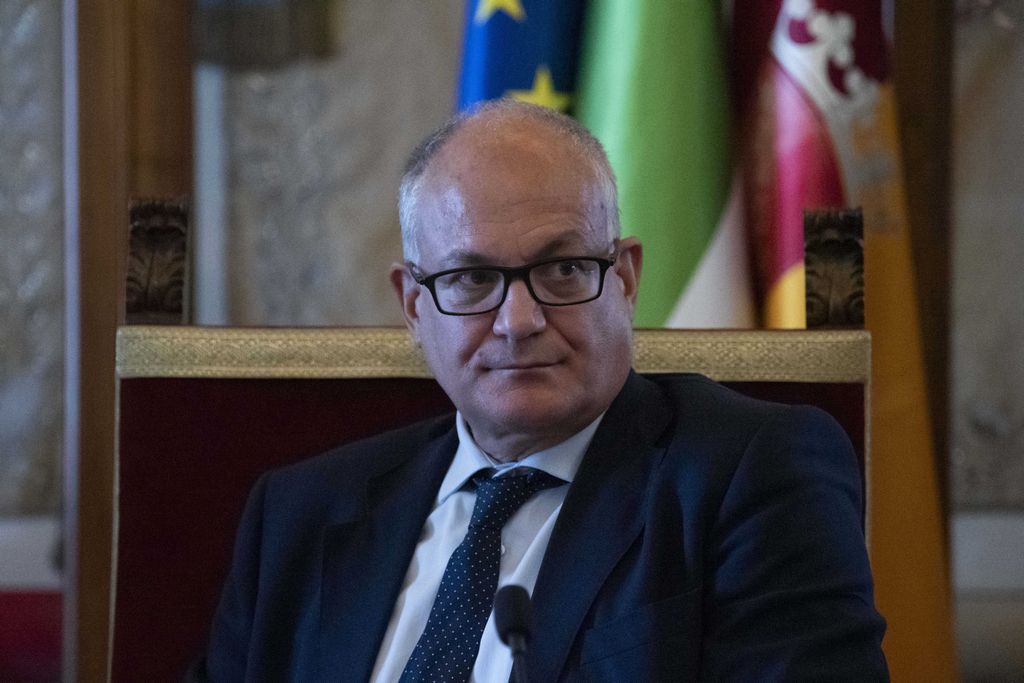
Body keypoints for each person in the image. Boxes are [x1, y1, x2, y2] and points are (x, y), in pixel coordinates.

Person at [193, 100, 888, 681]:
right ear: (413, 305)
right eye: (471, 279)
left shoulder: (753, 476)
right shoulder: (299, 516)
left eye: (562, 269)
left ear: (625, 278)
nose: (518, 321)